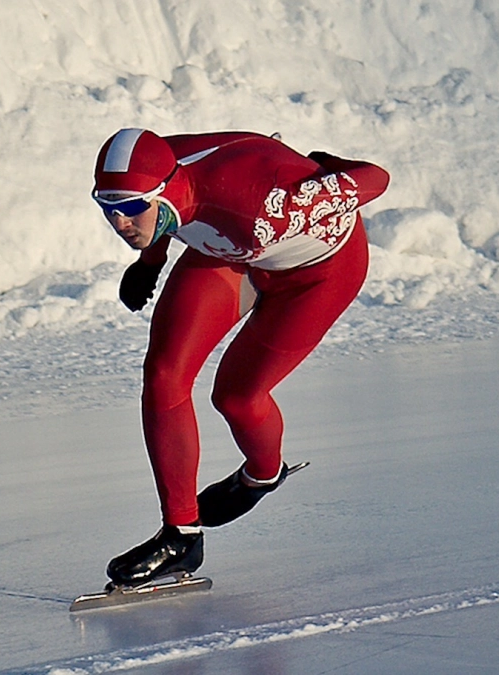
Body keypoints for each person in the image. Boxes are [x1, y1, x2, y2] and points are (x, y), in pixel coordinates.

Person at [92, 128, 390, 587]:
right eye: (108, 208)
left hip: (317, 275)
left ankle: (263, 475)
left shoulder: (267, 209)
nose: (119, 222)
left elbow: (378, 177)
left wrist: (335, 174)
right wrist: (149, 262)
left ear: (164, 190)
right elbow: (161, 211)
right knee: (164, 376)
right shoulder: (162, 170)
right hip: (230, 251)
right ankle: (181, 535)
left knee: (236, 396)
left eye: (131, 209)